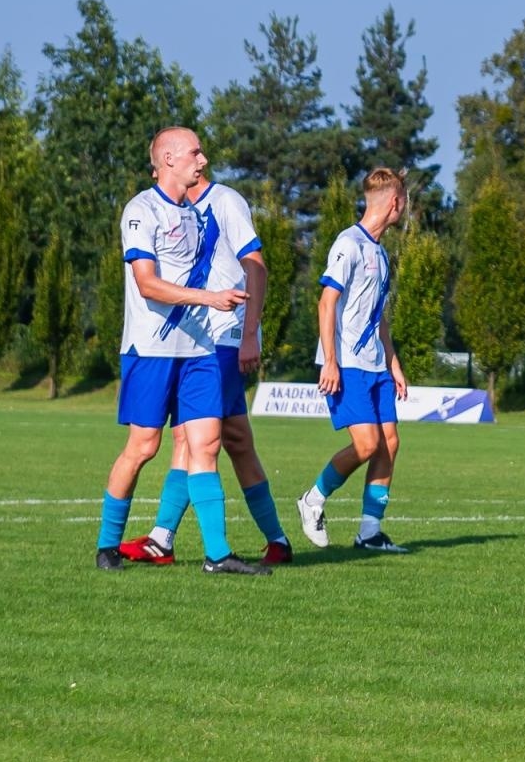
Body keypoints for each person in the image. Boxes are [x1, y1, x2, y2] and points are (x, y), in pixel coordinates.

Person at [94, 127, 270, 575]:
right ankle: (106, 545)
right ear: (169, 159)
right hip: (151, 348)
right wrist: (211, 299)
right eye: (195, 152)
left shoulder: (196, 214)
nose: (203, 159)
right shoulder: (140, 210)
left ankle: (217, 555)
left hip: (197, 349)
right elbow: (147, 283)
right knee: (144, 446)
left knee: (206, 444)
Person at [118, 171, 293, 566]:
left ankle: (165, 540)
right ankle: (275, 540)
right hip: (196, 339)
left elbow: (256, 265)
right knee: (223, 438)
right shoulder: (172, 211)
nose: (199, 161)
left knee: (203, 438)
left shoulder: (224, 200)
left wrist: (250, 334)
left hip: (225, 335)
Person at [296, 168, 412, 553]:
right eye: (405, 201)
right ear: (395, 202)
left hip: (375, 365)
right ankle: (312, 500)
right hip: (346, 364)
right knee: (365, 445)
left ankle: (369, 532)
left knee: (389, 444)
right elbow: (326, 302)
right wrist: (330, 361)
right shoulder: (349, 244)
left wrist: (393, 364)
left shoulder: (379, 252)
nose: (405, 208)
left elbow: (378, 316)